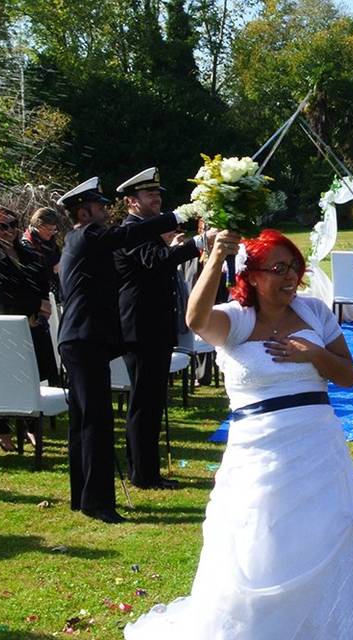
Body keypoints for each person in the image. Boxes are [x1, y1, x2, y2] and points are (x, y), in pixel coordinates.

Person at [125, 229, 353, 639]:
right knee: (258, 535)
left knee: (326, 530)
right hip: (258, 449)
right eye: (278, 268)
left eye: (294, 266)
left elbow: (347, 375)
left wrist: (315, 354)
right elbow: (195, 320)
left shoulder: (314, 313)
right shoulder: (237, 319)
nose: (290, 276)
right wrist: (216, 254)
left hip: (317, 442)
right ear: (252, 276)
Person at [57, 177, 197, 524]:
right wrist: (179, 215)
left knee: (84, 420)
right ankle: (99, 502)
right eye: (99, 205)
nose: (106, 210)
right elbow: (128, 236)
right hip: (84, 339)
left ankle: (84, 497)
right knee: (97, 423)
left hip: (82, 338)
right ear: (84, 211)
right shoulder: (88, 235)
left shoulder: (84, 238)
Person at [114, 167, 212, 490]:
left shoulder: (146, 229)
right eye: (149, 194)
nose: (156, 199)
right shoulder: (132, 230)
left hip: (154, 327)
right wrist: (198, 242)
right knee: (144, 402)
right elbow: (158, 261)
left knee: (153, 401)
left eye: (158, 194)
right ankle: (143, 473)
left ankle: (147, 469)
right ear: (131, 201)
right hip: (140, 330)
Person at [0, 206, 57, 451]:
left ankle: (31, 425)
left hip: (34, 324)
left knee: (34, 376)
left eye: (13, 224)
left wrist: (41, 306)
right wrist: (37, 304)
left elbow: (42, 283)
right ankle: (2, 429)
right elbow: (3, 294)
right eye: (4, 226)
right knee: (7, 377)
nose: (10, 230)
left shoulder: (29, 254)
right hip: (7, 326)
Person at [20, 207, 64, 306]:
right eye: (49, 229)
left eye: (54, 229)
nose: (52, 233)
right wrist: (53, 269)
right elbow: (32, 274)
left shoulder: (50, 242)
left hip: (56, 294)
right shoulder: (26, 245)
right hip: (38, 298)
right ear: (39, 225)